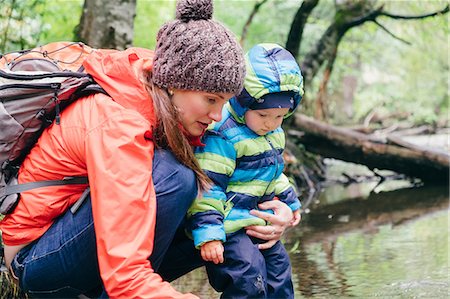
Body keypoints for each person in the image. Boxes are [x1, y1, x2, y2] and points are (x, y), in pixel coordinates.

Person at [0, 0, 247, 297]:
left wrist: (273, 213)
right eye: (211, 99)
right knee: (176, 178)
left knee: (229, 216)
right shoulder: (119, 125)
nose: (218, 115)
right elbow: (124, 274)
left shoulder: (160, 88)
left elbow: (239, 154)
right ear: (173, 84)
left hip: (78, 234)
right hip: (35, 258)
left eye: (225, 101)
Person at [186, 43, 304, 298]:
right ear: (243, 103)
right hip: (229, 225)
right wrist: (209, 233)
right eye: (263, 115)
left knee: (279, 272)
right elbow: (208, 185)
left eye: (280, 116)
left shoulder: (273, 133)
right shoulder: (224, 137)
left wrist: (291, 202)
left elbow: (273, 174)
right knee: (248, 277)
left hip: (255, 218)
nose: (270, 124)